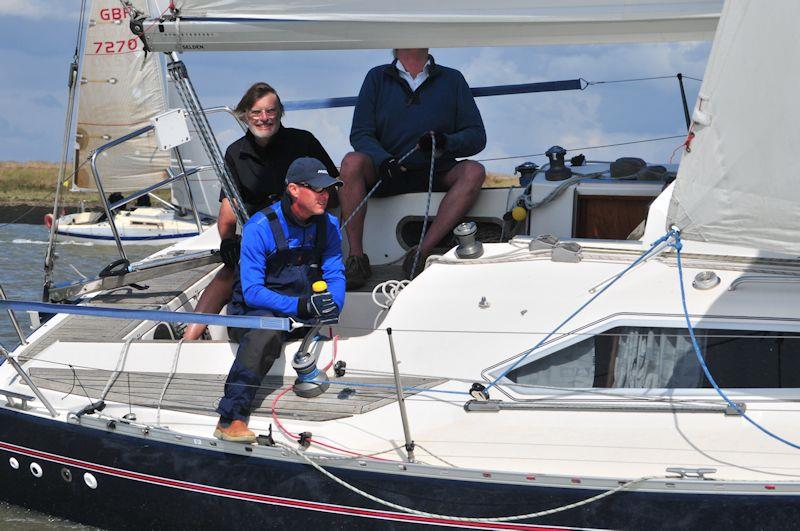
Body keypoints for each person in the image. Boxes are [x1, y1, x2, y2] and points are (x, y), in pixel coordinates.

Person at [183, 82, 339, 341]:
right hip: (262, 234)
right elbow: (228, 207)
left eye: (270, 111)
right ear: (244, 115)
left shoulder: (304, 141)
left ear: (280, 113)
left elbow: (333, 191)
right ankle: (189, 337)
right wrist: (228, 243)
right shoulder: (235, 152)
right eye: (256, 112)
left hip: (305, 230)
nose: (264, 118)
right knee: (230, 270)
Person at [214, 157, 345, 442]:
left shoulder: (330, 225)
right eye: (319, 189)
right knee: (268, 328)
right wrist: (300, 306)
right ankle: (230, 418)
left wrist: (332, 303)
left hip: (302, 312)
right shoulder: (258, 227)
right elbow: (252, 291)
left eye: (329, 189)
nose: (326, 196)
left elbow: (335, 272)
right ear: (294, 190)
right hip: (252, 314)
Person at [339, 48, 487, 288]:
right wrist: (383, 159)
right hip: (387, 171)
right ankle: (356, 258)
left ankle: (421, 253)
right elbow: (360, 133)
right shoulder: (377, 78)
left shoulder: (453, 79)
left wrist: (446, 142)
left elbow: (476, 136)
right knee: (351, 162)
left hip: (437, 170)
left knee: (474, 171)